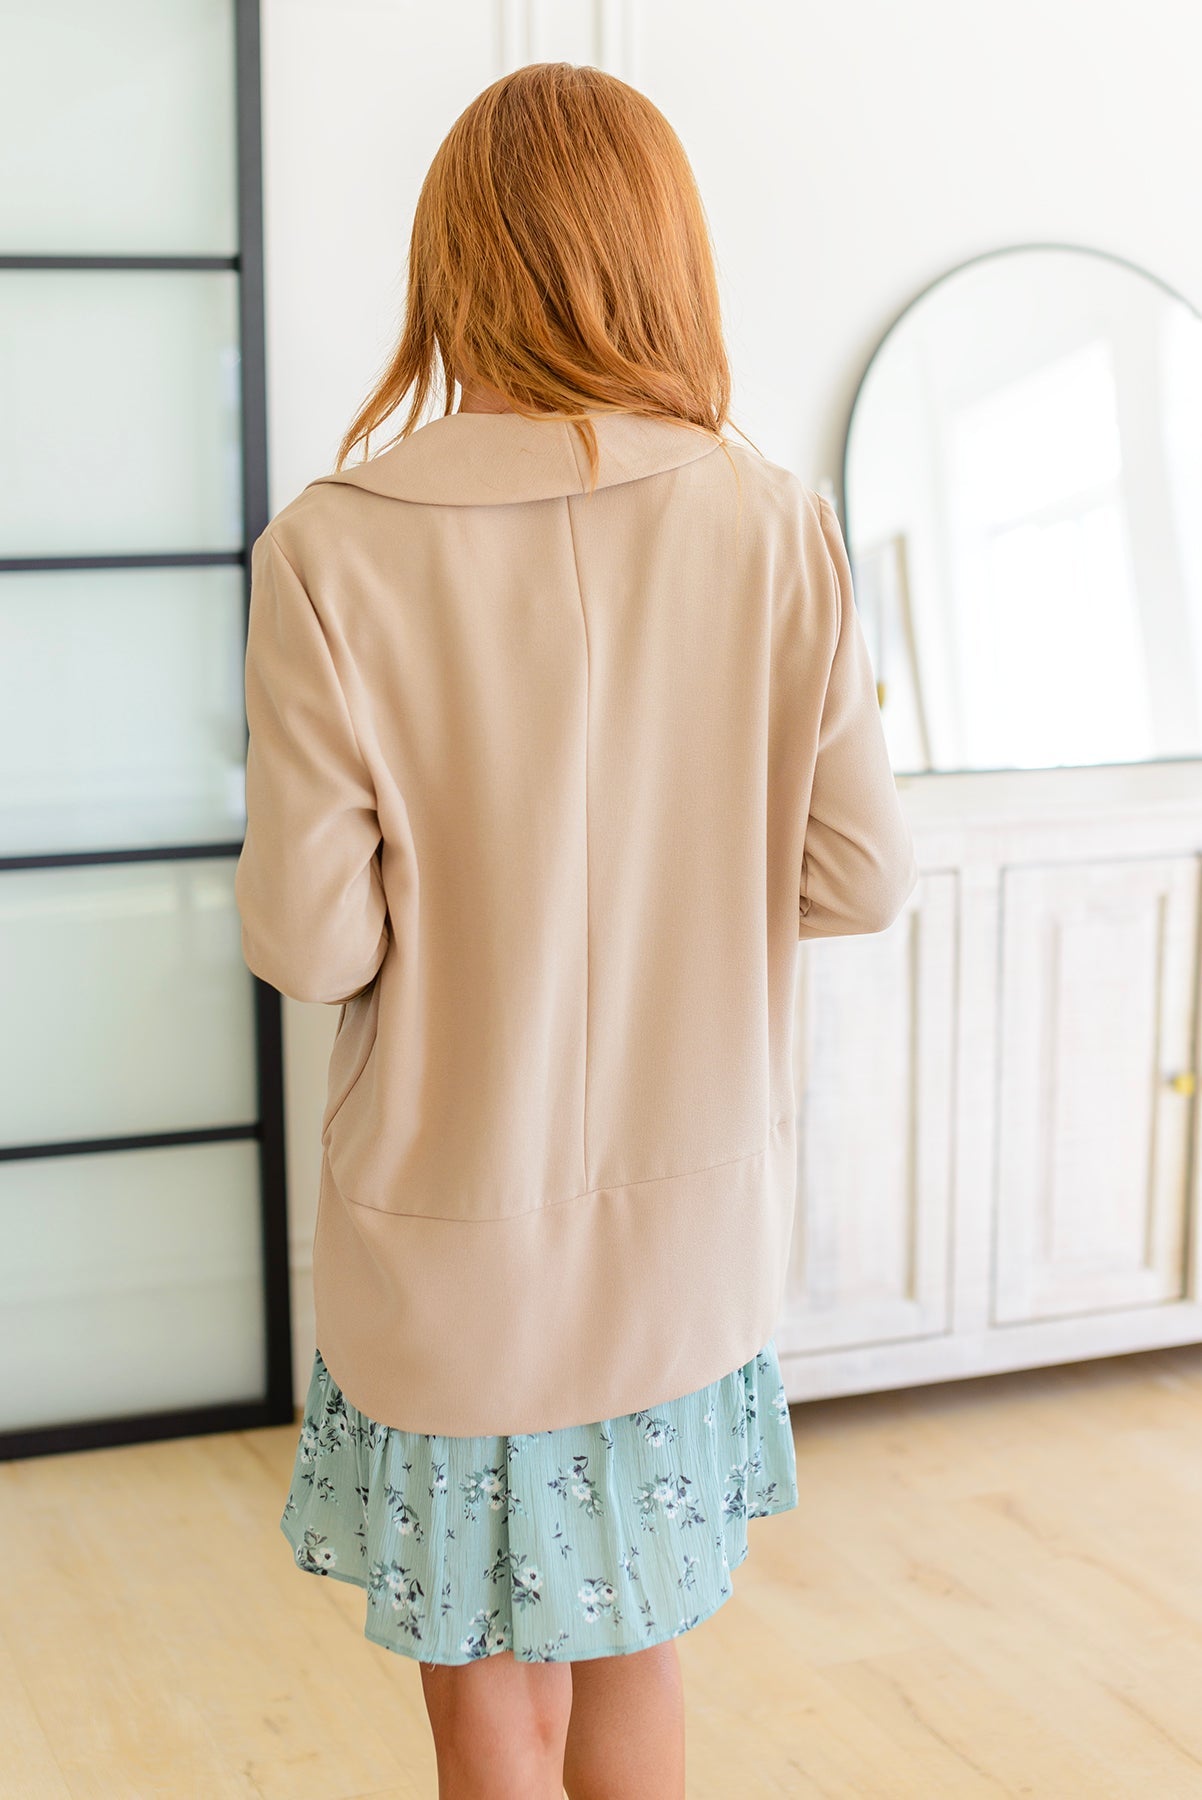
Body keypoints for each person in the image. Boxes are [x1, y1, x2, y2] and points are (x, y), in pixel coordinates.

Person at [234, 59, 918, 1800]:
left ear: (449, 262)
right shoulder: (776, 523)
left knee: (490, 1708)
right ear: (662, 255)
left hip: (449, 1260)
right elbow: (859, 875)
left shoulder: (330, 550)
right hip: (686, 1245)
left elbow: (311, 946)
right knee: (638, 1655)